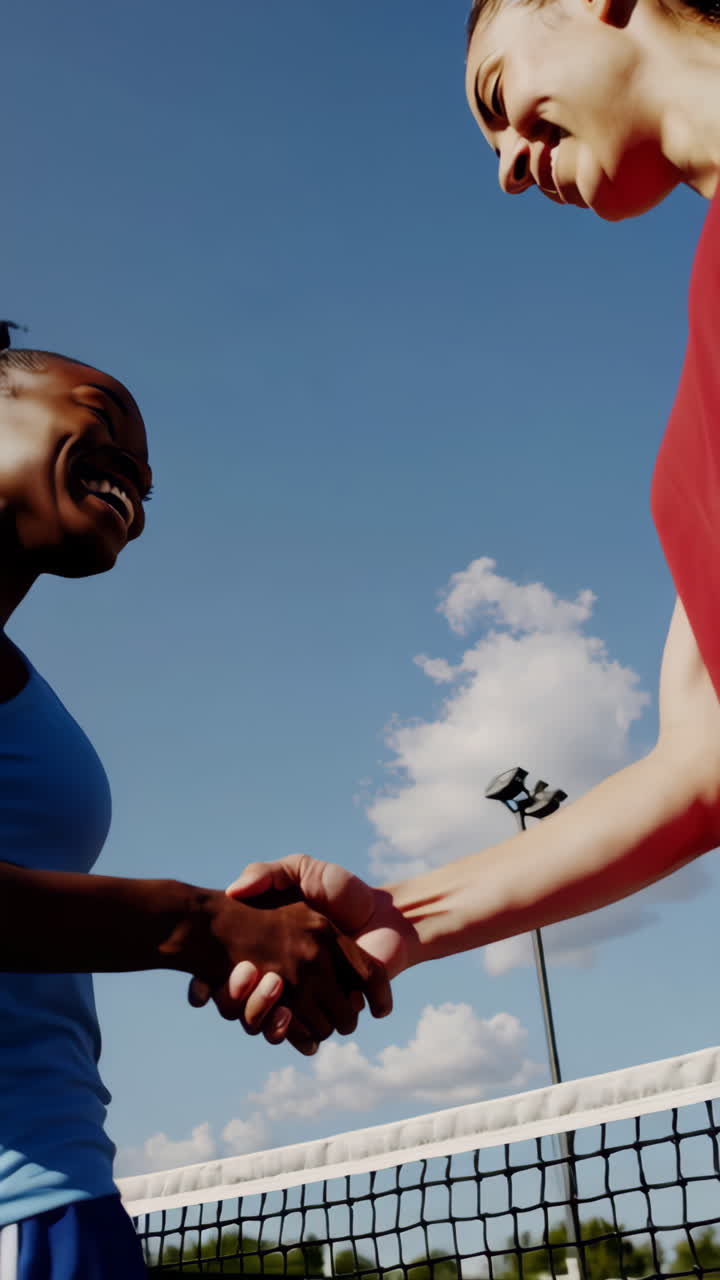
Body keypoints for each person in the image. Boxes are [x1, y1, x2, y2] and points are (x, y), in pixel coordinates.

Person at [204, 0, 720, 1039]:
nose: (507, 170)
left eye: (500, 97)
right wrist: (402, 915)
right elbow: (700, 765)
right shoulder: (696, 399)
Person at [0, 331, 392, 1277]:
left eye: (145, 472)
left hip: (59, 1187)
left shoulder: (30, 686)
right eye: (101, 424)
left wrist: (246, 934)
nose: (133, 473)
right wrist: (197, 927)